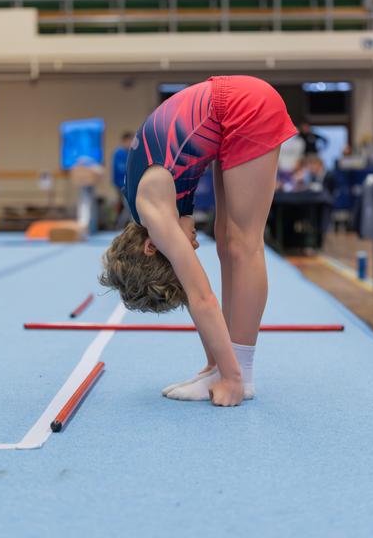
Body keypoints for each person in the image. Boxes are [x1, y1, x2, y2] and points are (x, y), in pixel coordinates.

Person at [100, 76, 297, 406]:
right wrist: (214, 365)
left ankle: (242, 376)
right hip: (227, 112)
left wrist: (231, 378)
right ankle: (223, 367)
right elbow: (194, 291)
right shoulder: (149, 202)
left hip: (240, 105)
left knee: (243, 244)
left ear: (151, 248)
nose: (193, 248)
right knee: (225, 242)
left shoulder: (155, 214)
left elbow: (201, 295)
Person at [111, 131, 134, 227]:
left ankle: (121, 225)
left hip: (129, 185)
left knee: (127, 208)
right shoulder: (118, 153)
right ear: (124, 141)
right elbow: (120, 169)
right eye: (130, 141)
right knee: (128, 207)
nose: (131, 143)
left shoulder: (131, 152)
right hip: (120, 184)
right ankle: (120, 226)